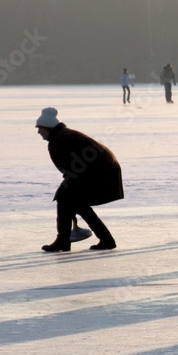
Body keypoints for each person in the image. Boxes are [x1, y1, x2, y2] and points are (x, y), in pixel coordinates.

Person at [35, 107, 122, 253]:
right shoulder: (62, 136)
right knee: (76, 202)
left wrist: (67, 188)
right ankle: (106, 239)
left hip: (99, 172)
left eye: (40, 128)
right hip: (99, 170)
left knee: (65, 198)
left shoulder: (60, 139)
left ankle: (63, 240)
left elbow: (72, 166)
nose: (38, 132)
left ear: (48, 128)